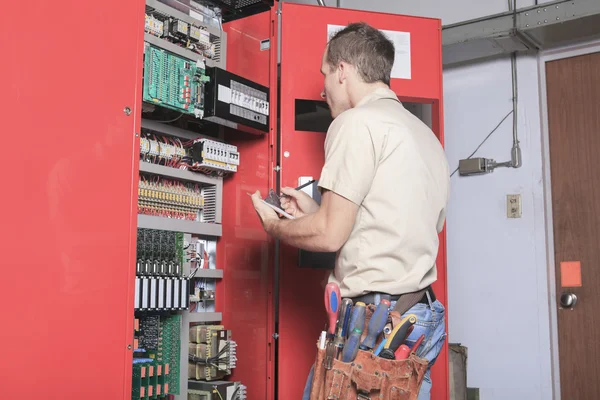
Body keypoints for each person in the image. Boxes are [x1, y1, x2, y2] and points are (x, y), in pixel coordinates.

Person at [250, 22, 450, 399]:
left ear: (342, 71)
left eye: (325, 74)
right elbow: (401, 223)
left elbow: (329, 235)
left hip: (376, 328)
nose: (323, 89)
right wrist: (316, 210)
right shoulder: (423, 134)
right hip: (419, 315)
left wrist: (275, 227)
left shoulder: (356, 123)